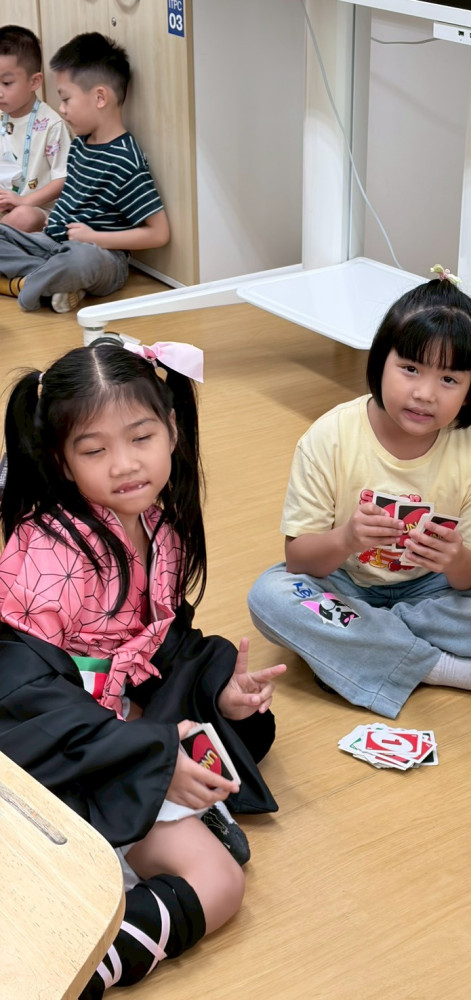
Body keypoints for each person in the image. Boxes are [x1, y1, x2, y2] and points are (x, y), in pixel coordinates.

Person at [0, 337, 287, 997]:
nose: (126, 464)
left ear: (173, 430)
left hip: (111, 727)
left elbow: (162, 642)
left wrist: (221, 691)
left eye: (141, 437)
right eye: (94, 450)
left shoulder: (160, 525)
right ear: (60, 460)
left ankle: (85, 964)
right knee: (218, 881)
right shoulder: (44, 554)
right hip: (51, 746)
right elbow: (25, 696)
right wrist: (146, 754)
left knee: (221, 866)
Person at [248, 267, 471, 719]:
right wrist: (347, 538)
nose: (425, 393)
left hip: (430, 591)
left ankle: (356, 646)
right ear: (380, 363)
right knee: (268, 596)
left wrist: (455, 559)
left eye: (449, 379)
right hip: (343, 581)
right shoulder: (330, 436)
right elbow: (299, 560)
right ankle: (443, 668)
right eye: (410, 369)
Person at [0, 31, 168, 314]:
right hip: (53, 244)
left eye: (66, 99)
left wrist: (96, 238)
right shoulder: (80, 145)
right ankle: (51, 282)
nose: (62, 109)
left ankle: (29, 283)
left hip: (100, 254)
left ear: (100, 97)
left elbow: (159, 233)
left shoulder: (124, 159)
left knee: (81, 260)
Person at [0, 24, 71, 232]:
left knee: (23, 216)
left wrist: (24, 201)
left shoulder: (51, 124)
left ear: (34, 82)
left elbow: (63, 179)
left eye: (6, 83)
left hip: (37, 209)